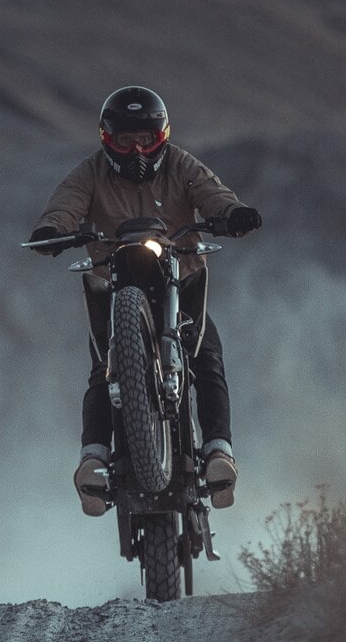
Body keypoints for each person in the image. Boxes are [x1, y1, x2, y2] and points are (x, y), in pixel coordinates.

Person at [27, 86, 262, 515]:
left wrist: (232, 214)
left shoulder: (182, 165)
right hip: (111, 285)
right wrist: (51, 231)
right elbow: (64, 206)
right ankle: (94, 459)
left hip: (181, 277)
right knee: (104, 367)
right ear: (106, 139)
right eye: (124, 141)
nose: (136, 150)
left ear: (163, 137)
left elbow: (215, 195)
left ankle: (217, 453)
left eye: (146, 140)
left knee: (206, 356)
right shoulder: (89, 172)